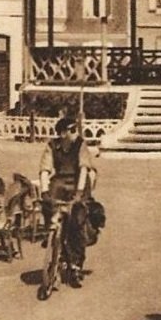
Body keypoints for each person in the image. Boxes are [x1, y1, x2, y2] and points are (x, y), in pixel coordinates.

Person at [39, 117, 94, 288]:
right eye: (72, 130)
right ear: (63, 133)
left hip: (78, 182)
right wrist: (44, 190)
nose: (75, 133)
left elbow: (84, 168)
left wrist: (79, 193)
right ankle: (53, 239)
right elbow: (45, 170)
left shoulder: (80, 144)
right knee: (49, 207)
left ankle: (76, 266)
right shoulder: (51, 146)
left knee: (77, 222)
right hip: (60, 182)